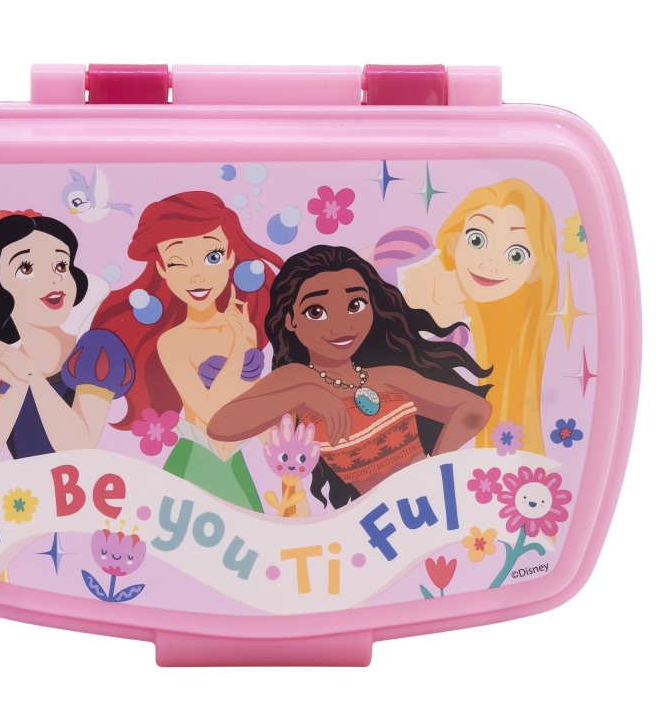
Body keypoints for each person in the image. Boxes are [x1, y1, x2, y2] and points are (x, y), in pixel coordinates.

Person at [207, 245, 492, 509]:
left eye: (355, 305)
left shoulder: (389, 377)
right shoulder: (296, 378)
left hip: (431, 501)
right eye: (316, 311)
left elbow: (475, 408)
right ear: (291, 320)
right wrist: (306, 395)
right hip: (374, 517)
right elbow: (221, 425)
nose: (341, 325)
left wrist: (434, 466)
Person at [91, 191, 283, 512]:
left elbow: (254, 406)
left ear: (230, 256)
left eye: (212, 257)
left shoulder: (242, 329)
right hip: (196, 461)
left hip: (235, 462)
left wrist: (287, 470)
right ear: (162, 269)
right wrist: (239, 345)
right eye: (178, 262)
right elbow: (210, 414)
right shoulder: (173, 340)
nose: (196, 275)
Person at [400, 179, 558, 454]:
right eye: (477, 240)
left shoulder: (496, 337)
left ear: (535, 270)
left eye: (516, 254)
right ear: (454, 240)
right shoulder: (406, 258)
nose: (490, 264)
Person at [0, 213, 134, 460]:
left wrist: (33, 377)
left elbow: (80, 446)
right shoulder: (1, 363)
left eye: (61, 266)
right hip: (21, 486)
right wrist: (18, 385)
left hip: (89, 483)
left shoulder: (94, 354)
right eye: (26, 268)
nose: (55, 278)